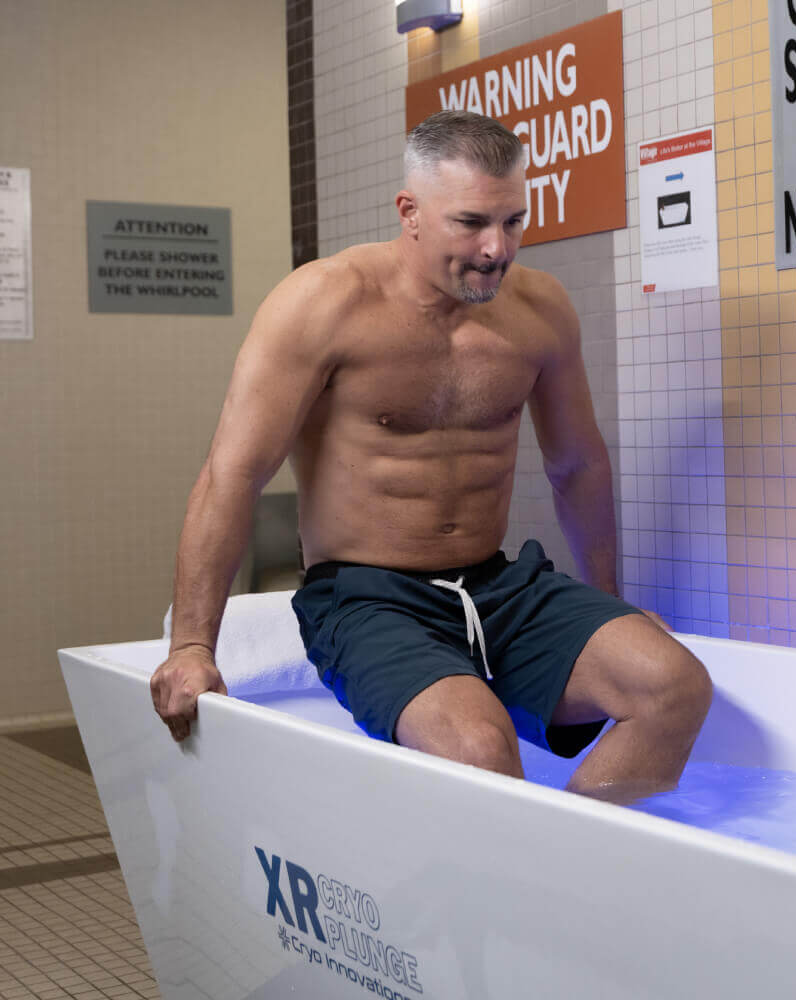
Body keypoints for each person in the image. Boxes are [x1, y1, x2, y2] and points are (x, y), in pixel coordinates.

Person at [150, 110, 711, 804]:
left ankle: (572, 877)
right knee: (480, 748)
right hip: (366, 599)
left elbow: (577, 466)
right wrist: (192, 647)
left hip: (497, 586)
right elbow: (232, 474)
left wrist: (608, 596)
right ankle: (550, 883)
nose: (496, 249)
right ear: (410, 212)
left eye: (513, 222)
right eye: (471, 222)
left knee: (674, 687)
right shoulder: (324, 304)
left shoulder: (540, 310)